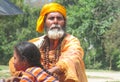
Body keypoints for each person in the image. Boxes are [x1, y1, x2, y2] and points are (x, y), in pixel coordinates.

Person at [9, 2, 88, 82]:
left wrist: (48, 72)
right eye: (51, 18)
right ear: (44, 22)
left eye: (59, 18)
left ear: (64, 23)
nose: (55, 21)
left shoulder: (71, 41)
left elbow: (72, 58)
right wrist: (26, 76)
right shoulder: (37, 42)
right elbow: (16, 60)